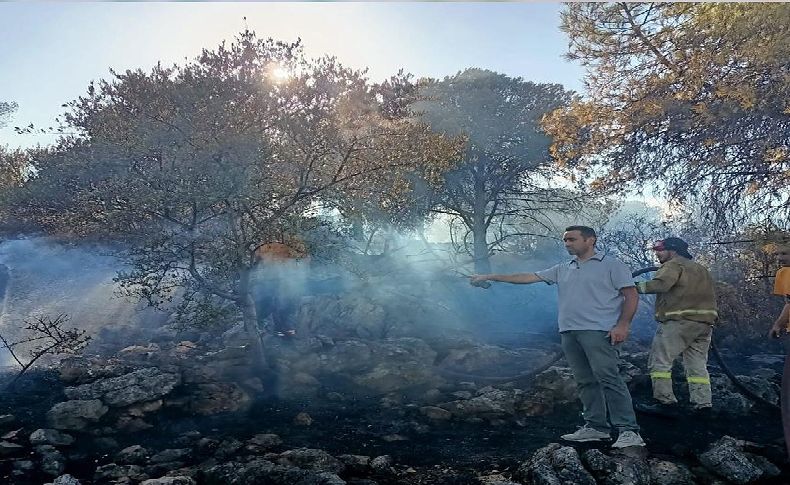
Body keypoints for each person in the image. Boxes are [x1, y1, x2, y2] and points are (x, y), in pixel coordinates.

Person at [470, 225, 645, 448]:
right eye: (565, 240)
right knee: (585, 381)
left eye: (571, 239)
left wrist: (623, 325)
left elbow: (631, 295)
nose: (567, 244)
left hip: (599, 331)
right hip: (569, 331)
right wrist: (491, 275)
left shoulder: (612, 265)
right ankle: (596, 427)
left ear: (590, 240)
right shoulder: (564, 268)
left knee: (609, 378)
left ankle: (629, 431)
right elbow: (528, 277)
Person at [633, 238, 718, 417]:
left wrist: (630, 287)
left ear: (673, 250)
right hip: (704, 323)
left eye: (660, 250)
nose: (657, 253)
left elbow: (661, 285)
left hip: (679, 321)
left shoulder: (673, 265)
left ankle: (665, 402)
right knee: (697, 365)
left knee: (660, 361)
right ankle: (702, 404)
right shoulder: (700, 268)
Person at [768, 242, 790, 459]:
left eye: (785, 254)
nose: (780, 258)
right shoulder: (784, 274)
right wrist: (778, 324)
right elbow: (789, 303)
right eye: (778, 254)